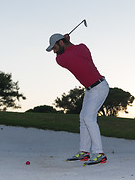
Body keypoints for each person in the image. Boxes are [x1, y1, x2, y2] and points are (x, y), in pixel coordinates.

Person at [46, 33, 109, 165]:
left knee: (88, 118)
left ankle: (99, 153)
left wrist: (66, 42)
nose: (54, 51)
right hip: (90, 89)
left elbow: (64, 55)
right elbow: (73, 50)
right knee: (83, 118)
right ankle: (84, 152)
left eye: (55, 48)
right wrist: (68, 42)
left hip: (99, 87)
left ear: (61, 43)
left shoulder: (62, 58)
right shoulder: (82, 47)